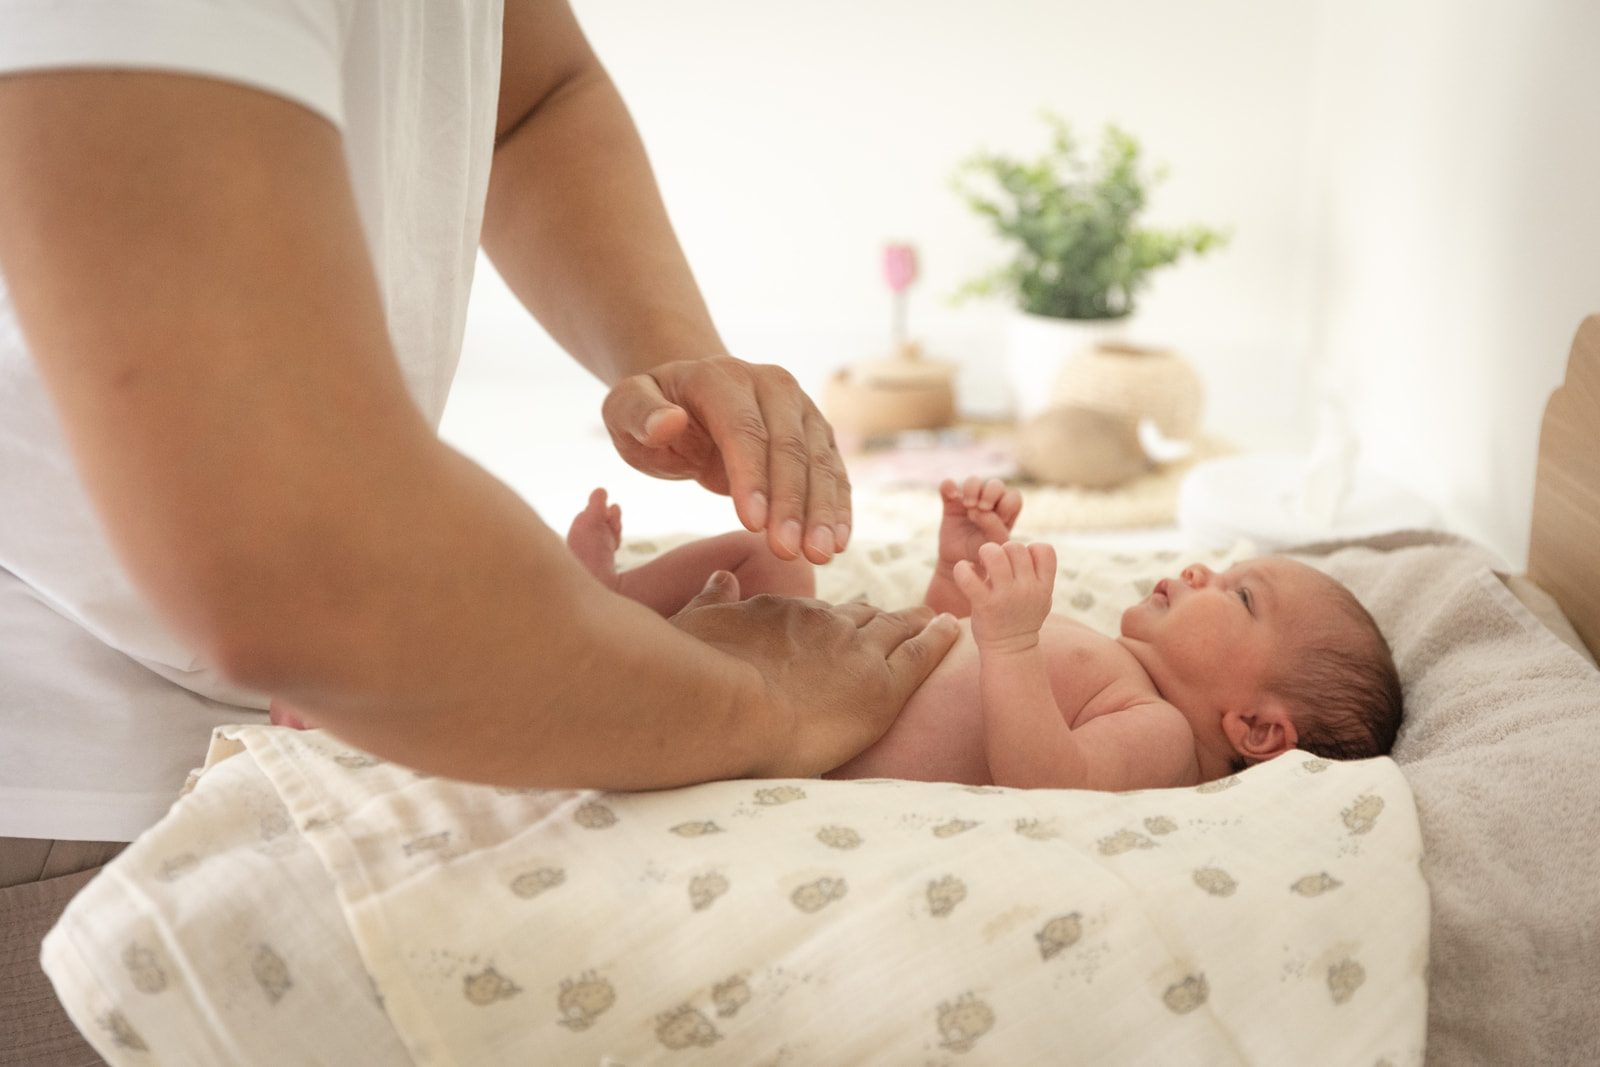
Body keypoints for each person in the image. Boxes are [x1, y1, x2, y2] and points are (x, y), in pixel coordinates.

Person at [0, 3, 958, 1061]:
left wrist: (671, 348)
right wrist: (758, 703)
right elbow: (295, 568)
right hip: (69, 798)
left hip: (300, 729)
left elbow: (529, 98)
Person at [567, 477, 1404, 791]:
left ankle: (624, 635)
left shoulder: (1159, 738)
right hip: (834, 652)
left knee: (720, 640)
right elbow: (937, 641)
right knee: (764, 553)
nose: (1199, 574)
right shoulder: (1118, 663)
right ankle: (616, 602)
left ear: (1255, 728)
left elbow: (1044, 776)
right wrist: (958, 569)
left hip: (806, 715)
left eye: (1239, 597)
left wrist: (1008, 644)